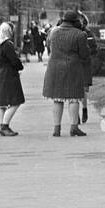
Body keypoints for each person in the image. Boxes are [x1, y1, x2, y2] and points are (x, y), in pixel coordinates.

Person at [42, 9, 90, 137]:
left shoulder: (53, 32)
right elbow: (85, 55)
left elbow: (48, 47)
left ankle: (56, 129)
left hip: (54, 69)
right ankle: (74, 127)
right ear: (75, 21)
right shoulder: (80, 35)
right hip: (72, 69)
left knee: (57, 99)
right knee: (73, 98)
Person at [0, 21, 25, 137]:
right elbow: (14, 60)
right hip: (9, 75)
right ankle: (5, 126)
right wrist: (20, 66)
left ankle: (2, 126)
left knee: (1, 104)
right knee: (16, 101)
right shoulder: (7, 44)